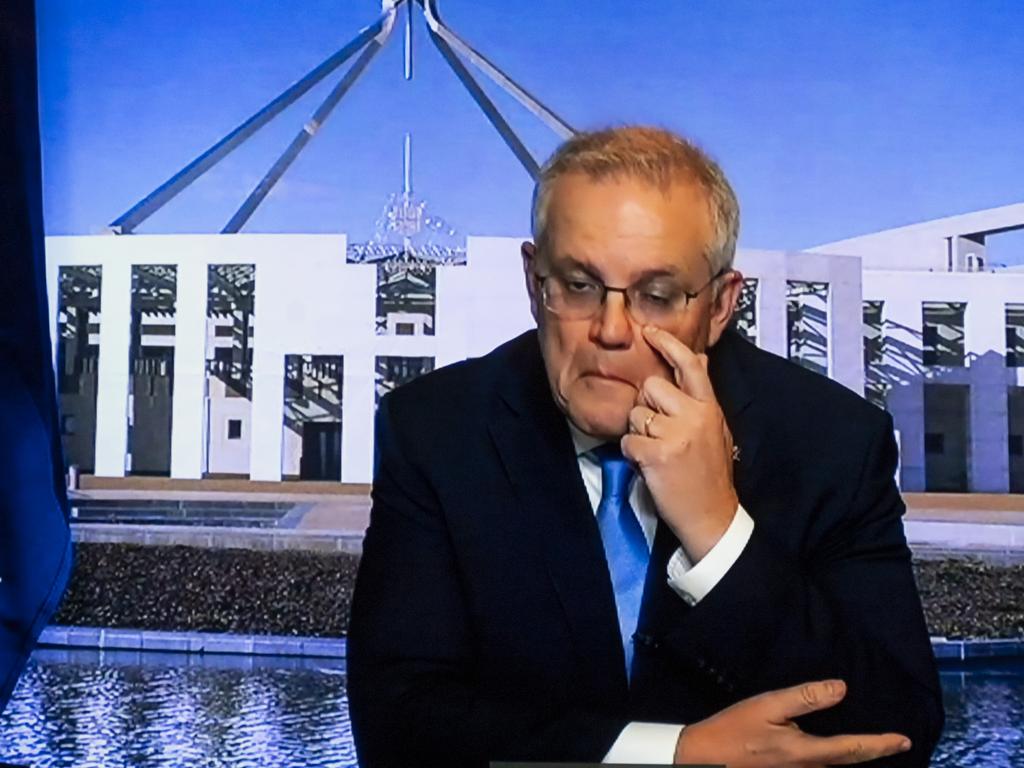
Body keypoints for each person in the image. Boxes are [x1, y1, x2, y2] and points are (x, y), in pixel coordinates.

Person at [348, 126, 943, 766]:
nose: (610, 330)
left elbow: (896, 734)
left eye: (656, 296)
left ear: (718, 306)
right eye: (578, 285)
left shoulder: (833, 442)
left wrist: (719, 533)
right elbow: (399, 728)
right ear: (533, 282)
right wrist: (674, 754)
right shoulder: (435, 430)